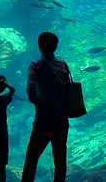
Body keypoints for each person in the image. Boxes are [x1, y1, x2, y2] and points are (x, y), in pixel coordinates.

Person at [21, 32, 71, 182]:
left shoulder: (35, 64)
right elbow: (67, 88)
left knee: (32, 158)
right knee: (60, 159)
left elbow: (30, 89)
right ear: (56, 46)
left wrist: (39, 105)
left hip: (44, 119)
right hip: (62, 118)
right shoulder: (63, 64)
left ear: (39, 45)